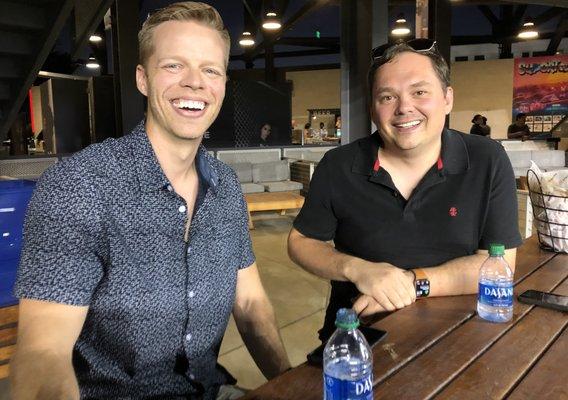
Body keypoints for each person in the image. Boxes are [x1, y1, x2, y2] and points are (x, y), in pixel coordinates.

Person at [11, 3, 290, 399]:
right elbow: (43, 351)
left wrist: (294, 384)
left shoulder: (225, 186)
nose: (195, 82)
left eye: (210, 70)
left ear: (223, 84)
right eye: (174, 65)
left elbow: (249, 301)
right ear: (142, 79)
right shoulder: (80, 186)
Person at [287, 39, 522, 342]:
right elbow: (300, 241)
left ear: (447, 98)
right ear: (373, 108)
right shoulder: (339, 166)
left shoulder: (486, 159)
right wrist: (357, 269)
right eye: (387, 97)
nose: (404, 108)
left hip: (460, 335)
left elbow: (498, 265)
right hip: (358, 338)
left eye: (420, 92)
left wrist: (413, 284)